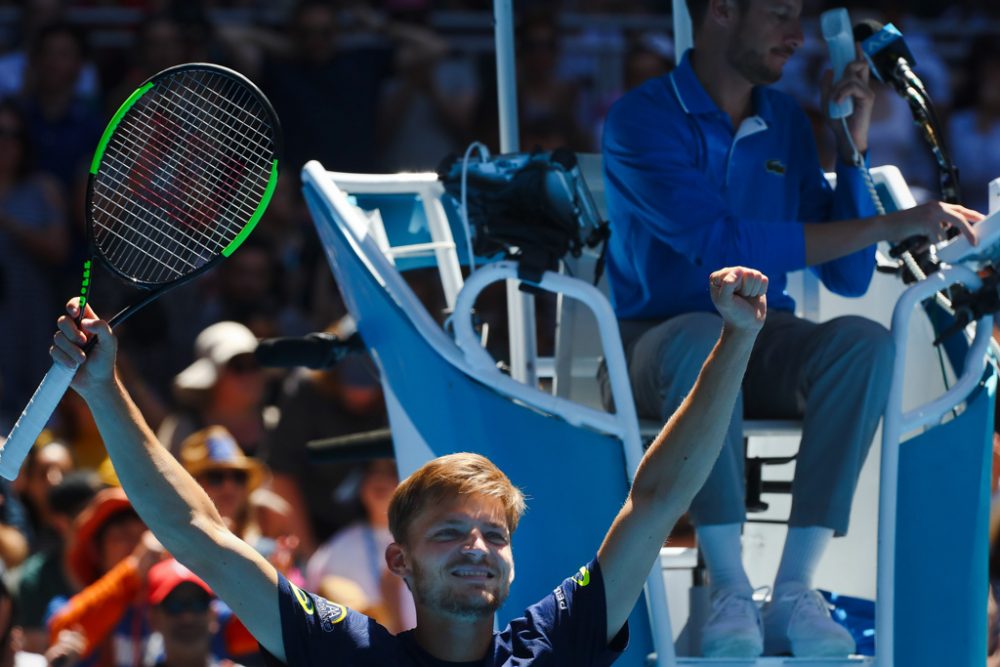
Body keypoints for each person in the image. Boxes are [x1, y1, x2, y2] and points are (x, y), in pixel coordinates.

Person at [51, 264, 765, 665]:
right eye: (449, 533)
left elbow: (658, 497)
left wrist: (734, 339)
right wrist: (105, 390)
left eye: (493, 535)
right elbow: (195, 529)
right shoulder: (350, 655)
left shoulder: (558, 643)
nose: (477, 548)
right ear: (399, 561)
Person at [600, 0, 983, 659]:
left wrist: (850, 141)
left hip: (758, 335)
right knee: (702, 337)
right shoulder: (640, 118)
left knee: (864, 344)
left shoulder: (785, 122)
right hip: (653, 344)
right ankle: (729, 588)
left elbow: (852, 277)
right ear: (720, 11)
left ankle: (795, 589)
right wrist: (898, 220)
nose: (799, 36)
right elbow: (720, 242)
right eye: (779, 14)